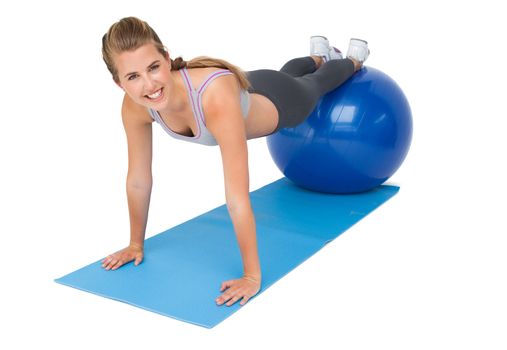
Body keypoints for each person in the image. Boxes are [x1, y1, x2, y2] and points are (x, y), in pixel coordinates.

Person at [100, 16, 370, 307]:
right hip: (251, 85)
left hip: (279, 104)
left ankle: (353, 61)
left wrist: (252, 275)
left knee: (311, 87)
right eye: (133, 77)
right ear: (119, 83)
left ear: (166, 59)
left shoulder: (212, 99)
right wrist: (135, 244)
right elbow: (138, 180)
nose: (149, 84)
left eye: (153, 67)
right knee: (288, 75)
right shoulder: (135, 106)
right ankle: (318, 55)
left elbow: (237, 196)